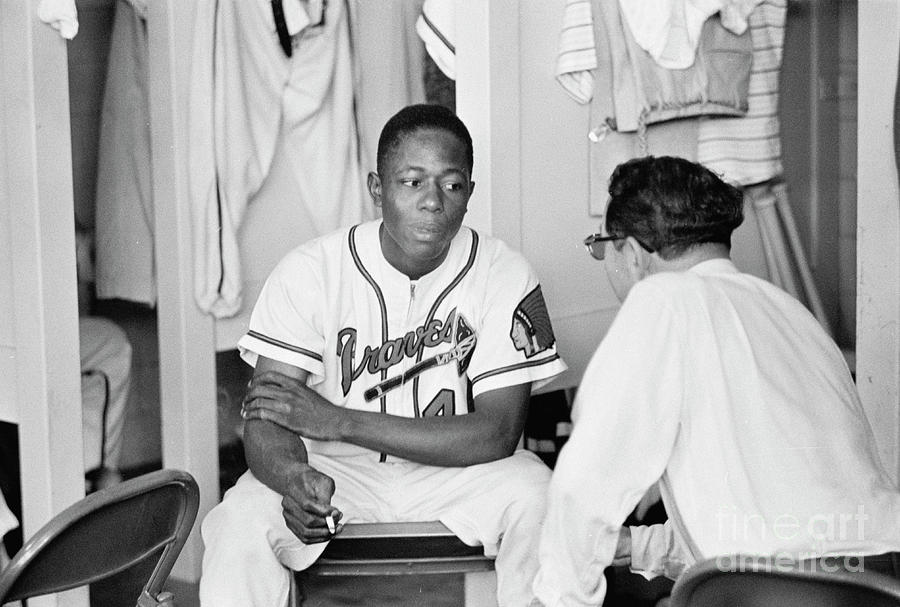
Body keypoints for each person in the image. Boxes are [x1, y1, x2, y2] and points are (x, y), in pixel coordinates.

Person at [200, 104, 567, 607]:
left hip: (460, 475)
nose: (433, 202)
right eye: (412, 182)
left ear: (470, 193)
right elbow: (267, 421)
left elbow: (499, 433)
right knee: (238, 521)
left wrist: (339, 420)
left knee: (540, 497)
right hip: (338, 473)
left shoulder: (504, 272)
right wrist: (293, 478)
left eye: (452, 184)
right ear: (377, 189)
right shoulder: (309, 271)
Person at [531, 155, 900, 607]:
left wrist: (558, 598)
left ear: (632, 252)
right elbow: (773, 520)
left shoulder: (662, 299)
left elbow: (584, 486)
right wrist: (637, 545)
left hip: (772, 591)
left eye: (602, 246)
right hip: (880, 582)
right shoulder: (790, 312)